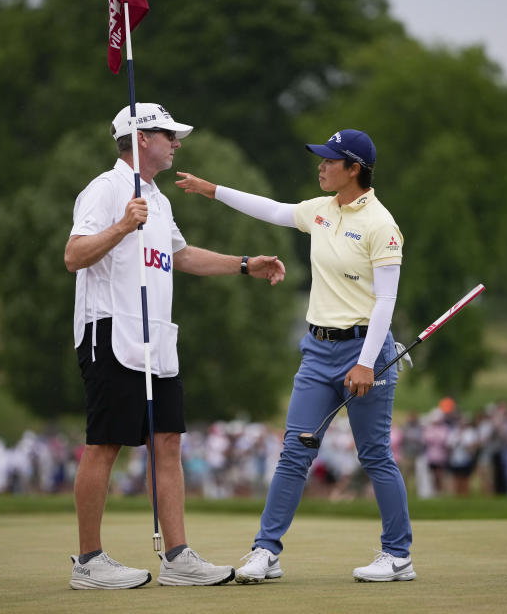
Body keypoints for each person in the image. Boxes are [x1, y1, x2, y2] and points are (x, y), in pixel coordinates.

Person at [176, 129, 415, 583]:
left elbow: (385, 302)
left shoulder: (382, 224)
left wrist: (366, 362)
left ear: (354, 169)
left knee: (374, 454)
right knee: (293, 453)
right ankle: (266, 551)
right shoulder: (320, 211)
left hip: (365, 351)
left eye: (329, 161)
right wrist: (213, 191)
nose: (320, 166)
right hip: (317, 351)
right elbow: (272, 210)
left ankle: (398, 554)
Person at [64, 102, 285, 589]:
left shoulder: (159, 200)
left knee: (167, 441)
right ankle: (88, 562)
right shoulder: (105, 190)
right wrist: (122, 226)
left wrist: (246, 264)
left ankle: (178, 557)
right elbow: (73, 255)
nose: (176, 142)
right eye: (167, 134)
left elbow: (182, 256)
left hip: (155, 335)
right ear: (141, 138)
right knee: (105, 443)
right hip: (109, 330)